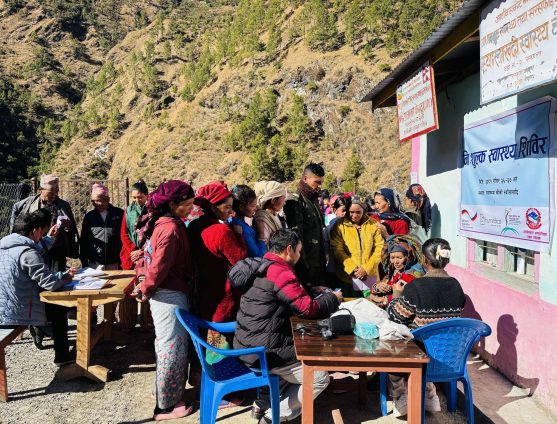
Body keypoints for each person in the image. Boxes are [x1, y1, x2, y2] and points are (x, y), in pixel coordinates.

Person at [230, 229, 342, 423]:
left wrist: (310, 289)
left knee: (291, 361)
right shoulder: (280, 272)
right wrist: (333, 298)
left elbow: (279, 293)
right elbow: (308, 310)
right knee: (319, 377)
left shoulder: (261, 265)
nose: (299, 255)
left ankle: (261, 404)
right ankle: (274, 416)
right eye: (298, 251)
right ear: (289, 250)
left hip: (246, 345)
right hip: (265, 352)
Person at [132, 180, 195, 420]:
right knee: (172, 348)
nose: (190, 209)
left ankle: (160, 392)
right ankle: (166, 406)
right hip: (169, 295)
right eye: (187, 205)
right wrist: (146, 287)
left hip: (165, 293)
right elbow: (158, 267)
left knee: (165, 345)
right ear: (172, 204)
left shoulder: (162, 224)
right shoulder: (169, 229)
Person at [387, 238, 466, 416]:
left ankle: (401, 395)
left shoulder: (416, 286)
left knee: (392, 341)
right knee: (427, 335)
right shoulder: (456, 286)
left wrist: (396, 295)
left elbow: (395, 317)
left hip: (423, 357)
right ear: (447, 260)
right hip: (451, 355)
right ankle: (430, 395)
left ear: (424, 259)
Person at [0, 209, 77, 366]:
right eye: (42, 232)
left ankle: (42, 331)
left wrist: (49, 238)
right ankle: (62, 355)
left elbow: (36, 248)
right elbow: (50, 283)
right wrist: (65, 276)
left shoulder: (5, 246)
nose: (41, 236)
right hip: (15, 313)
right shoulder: (27, 253)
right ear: (35, 230)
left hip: (2, 309)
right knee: (58, 308)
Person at [187, 182, 247, 363]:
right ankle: (225, 379)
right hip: (223, 294)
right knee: (222, 341)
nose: (231, 212)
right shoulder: (222, 231)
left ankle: (201, 376)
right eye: (227, 207)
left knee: (204, 335)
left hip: (202, 291)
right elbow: (240, 261)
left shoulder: (194, 226)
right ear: (214, 207)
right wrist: (239, 235)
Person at [10, 174, 79, 272]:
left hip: (57, 248)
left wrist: (67, 225)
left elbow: (71, 227)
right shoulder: (27, 204)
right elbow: (16, 219)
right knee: (38, 276)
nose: (54, 196)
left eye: (56, 192)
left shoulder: (63, 205)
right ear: (40, 190)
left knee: (58, 278)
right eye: (50, 193)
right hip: (36, 247)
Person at [329, 196, 384, 298]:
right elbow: (337, 249)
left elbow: (379, 248)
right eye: (351, 212)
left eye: (358, 212)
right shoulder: (340, 225)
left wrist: (366, 269)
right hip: (347, 277)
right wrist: (352, 268)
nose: (354, 215)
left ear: (364, 211)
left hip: (369, 276)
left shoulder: (373, 225)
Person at [283, 163, 327, 286]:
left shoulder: (313, 200)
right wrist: (303, 266)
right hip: (305, 263)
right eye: (317, 182)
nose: (320, 186)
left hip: (318, 261)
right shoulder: (295, 201)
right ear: (305, 179)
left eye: (321, 182)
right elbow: (296, 236)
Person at [118, 180, 149, 332]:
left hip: (146, 255)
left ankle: (146, 322)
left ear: (147, 196)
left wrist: (142, 250)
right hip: (130, 256)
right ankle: (126, 321)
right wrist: (133, 249)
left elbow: (153, 234)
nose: (137, 200)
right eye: (135, 197)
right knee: (129, 288)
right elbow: (124, 233)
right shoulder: (128, 211)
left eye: (140, 197)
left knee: (146, 287)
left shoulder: (152, 212)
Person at [369, 235, 425, 307]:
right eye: (392, 258)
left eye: (399, 257)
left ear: (408, 257)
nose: (395, 262)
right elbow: (374, 291)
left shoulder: (411, 275)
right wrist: (378, 287)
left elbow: (394, 299)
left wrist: (378, 299)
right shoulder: (394, 273)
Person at [80, 183, 124, 270]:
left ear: (108, 199)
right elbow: (84, 240)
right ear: (92, 201)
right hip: (95, 263)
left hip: (114, 261)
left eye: (103, 200)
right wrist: (84, 262)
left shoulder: (119, 214)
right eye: (96, 200)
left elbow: (123, 236)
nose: (100, 203)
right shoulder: (89, 217)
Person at [230, 185, 266, 257]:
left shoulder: (231, 220)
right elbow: (257, 255)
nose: (255, 209)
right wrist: (261, 235)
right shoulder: (243, 229)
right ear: (241, 207)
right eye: (252, 206)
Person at [323, 195, 349, 283]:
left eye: (347, 210)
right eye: (343, 210)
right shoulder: (330, 227)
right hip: (335, 268)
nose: (345, 213)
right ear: (335, 210)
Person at [253, 181, 287, 246]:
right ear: (273, 200)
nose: (284, 203)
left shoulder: (273, 214)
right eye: (283, 198)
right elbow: (265, 245)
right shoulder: (262, 220)